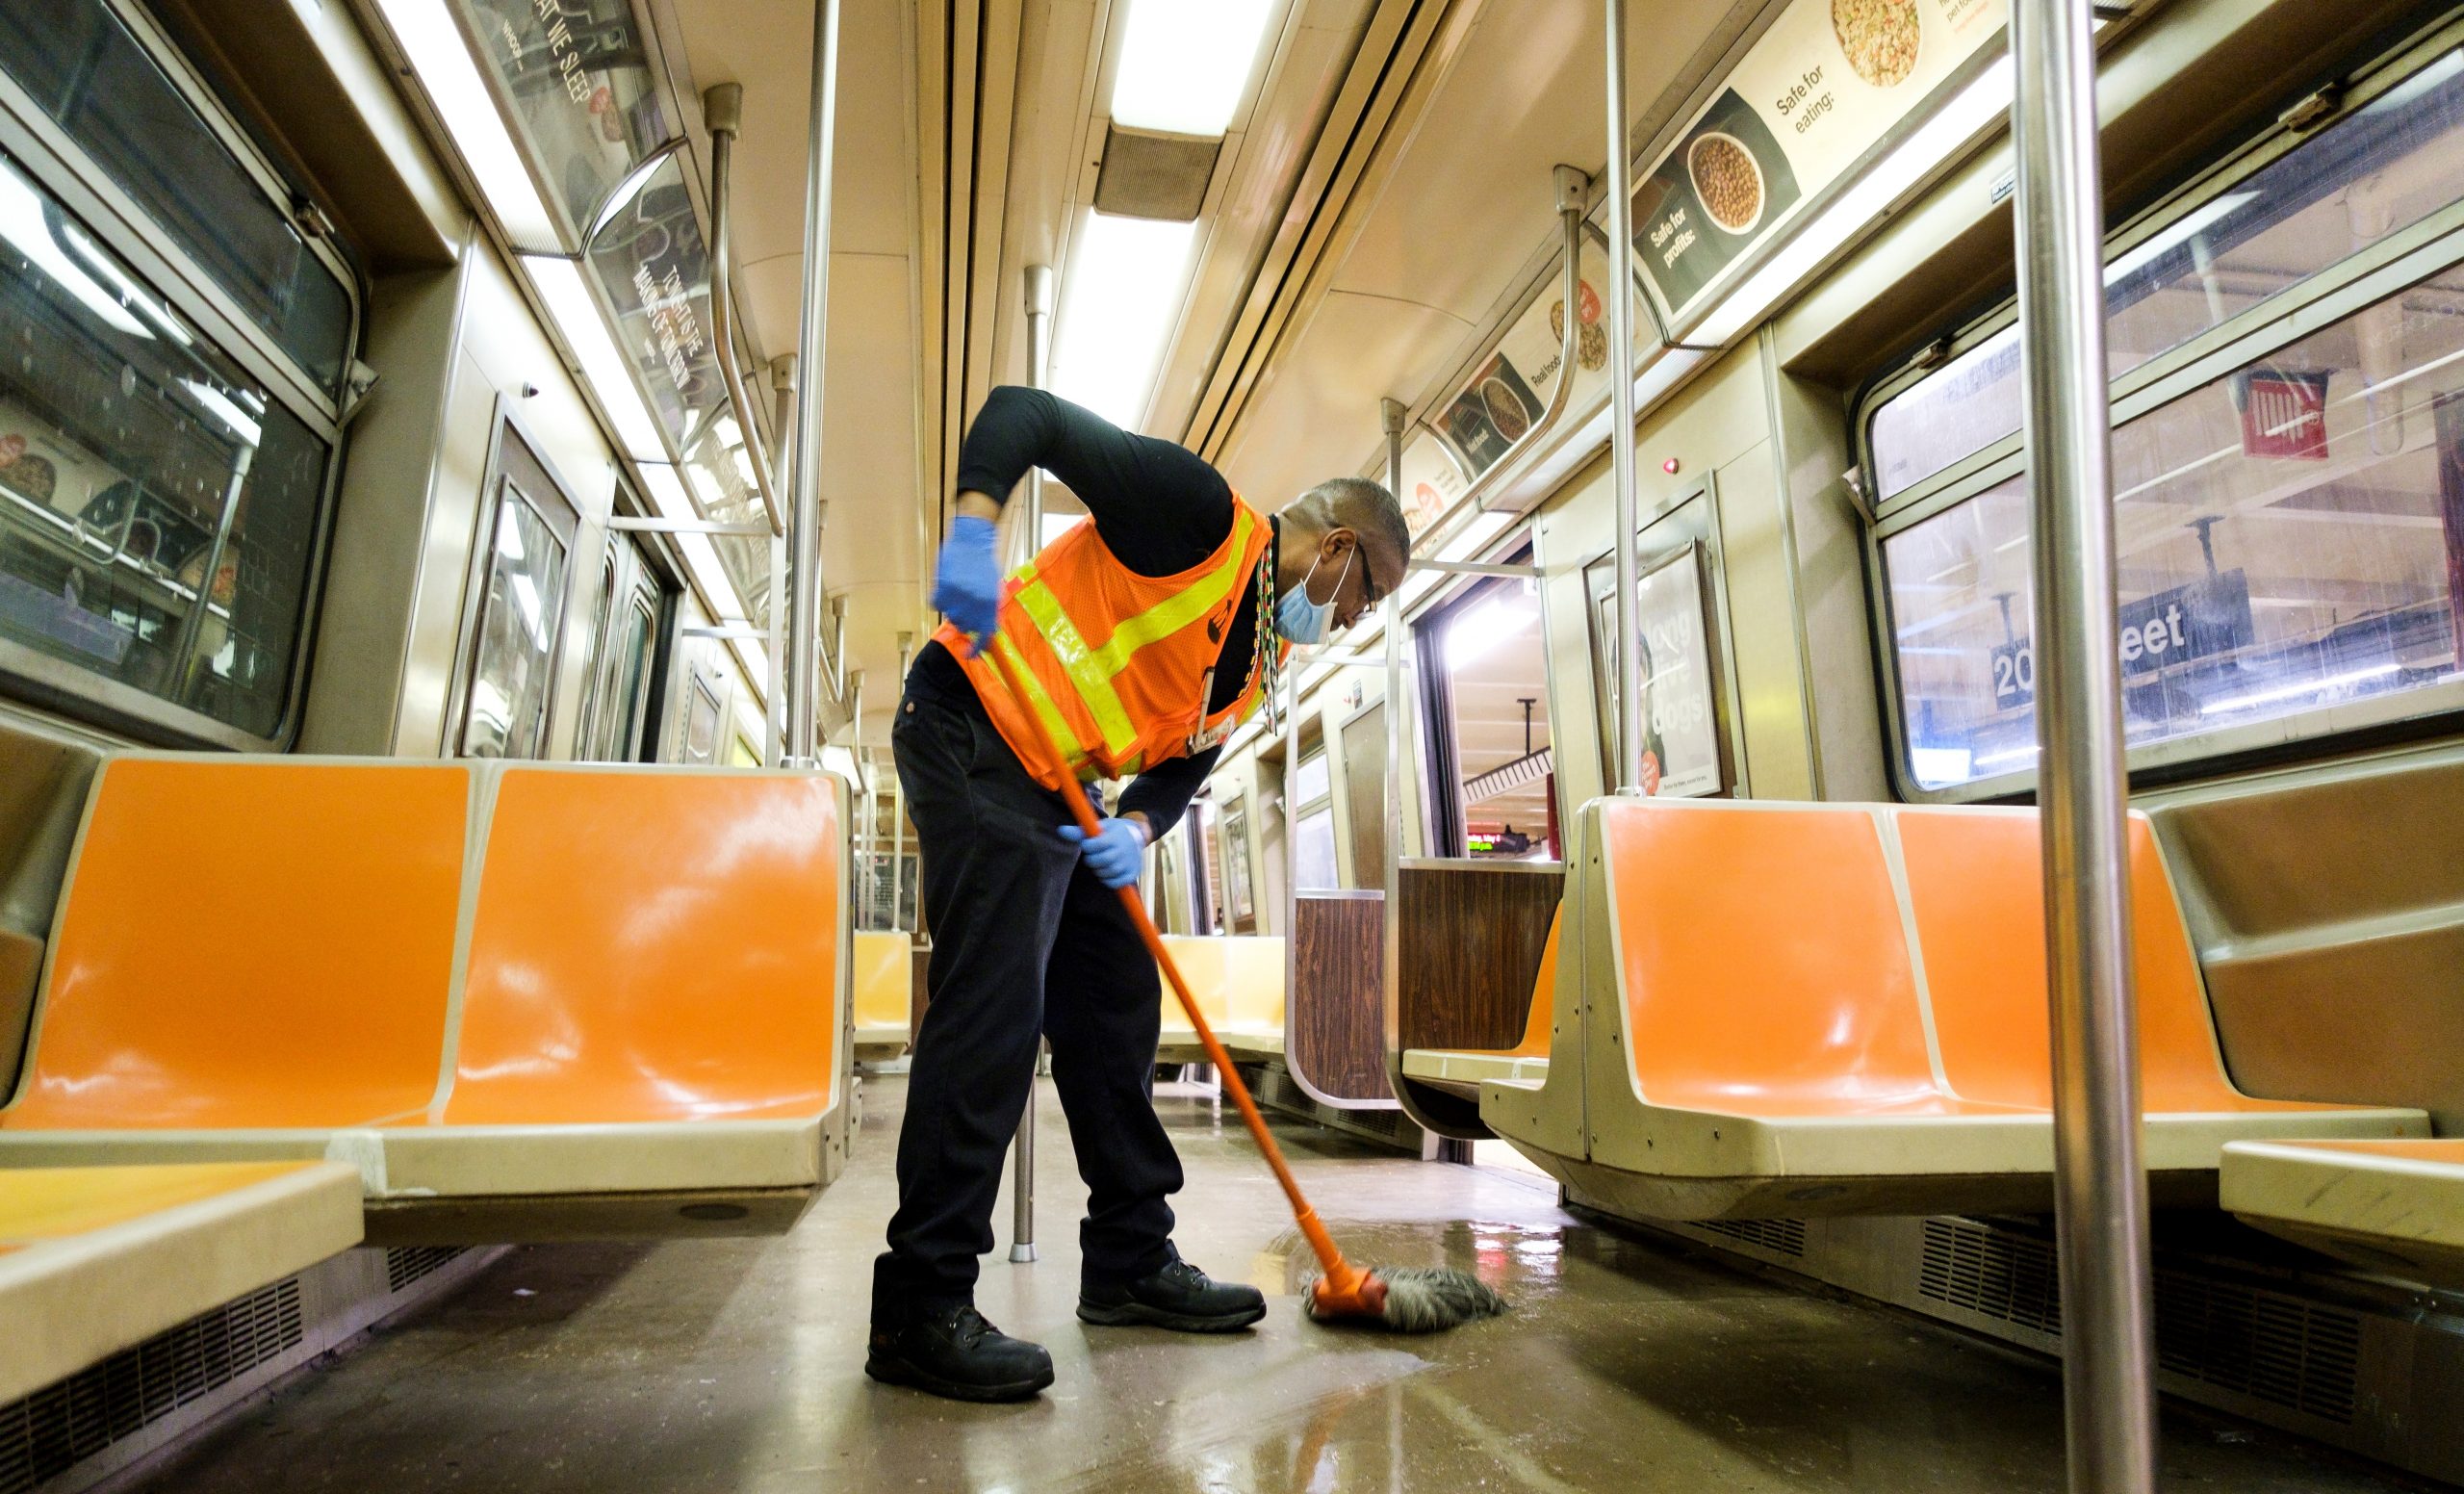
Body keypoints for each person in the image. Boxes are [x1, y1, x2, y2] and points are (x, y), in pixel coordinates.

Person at [866, 386, 1411, 1404]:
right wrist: (974, 530)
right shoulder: (1193, 513)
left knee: (1116, 1007)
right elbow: (1020, 413)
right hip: (973, 720)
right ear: (1335, 547)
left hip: (1064, 784)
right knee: (993, 1010)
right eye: (1359, 598)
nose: (1345, 621)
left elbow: (1181, 764)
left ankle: (1129, 1262)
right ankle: (919, 1303)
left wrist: (1138, 825)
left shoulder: (1254, 659)